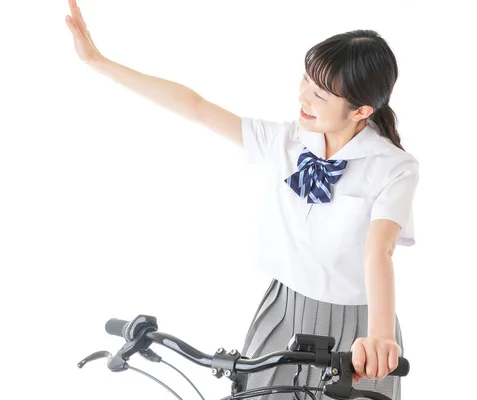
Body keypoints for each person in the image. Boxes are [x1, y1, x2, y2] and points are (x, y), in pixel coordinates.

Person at [65, 0, 419, 399]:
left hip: (360, 326)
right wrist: (98, 61)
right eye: (305, 80)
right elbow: (195, 107)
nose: (303, 96)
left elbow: (379, 251)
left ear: (361, 110)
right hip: (282, 309)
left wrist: (381, 337)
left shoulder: (394, 167)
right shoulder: (284, 141)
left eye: (319, 94)